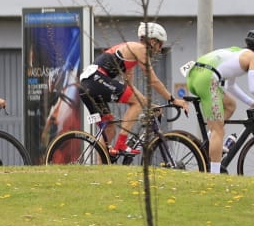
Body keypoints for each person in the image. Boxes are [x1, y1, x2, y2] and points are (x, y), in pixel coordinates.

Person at [76, 22, 186, 158]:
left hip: (88, 86)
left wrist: (150, 105)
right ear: (152, 41)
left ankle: (102, 169)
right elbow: (153, 81)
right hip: (94, 81)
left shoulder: (130, 54)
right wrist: (173, 100)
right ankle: (121, 144)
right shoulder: (140, 49)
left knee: (109, 129)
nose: (159, 50)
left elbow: (130, 89)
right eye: (160, 45)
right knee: (136, 103)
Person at [187, 29, 254, 174]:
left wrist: (253, 103)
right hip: (207, 79)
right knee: (219, 130)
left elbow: (231, 86)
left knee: (230, 105)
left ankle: (211, 140)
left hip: (196, 76)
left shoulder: (238, 53)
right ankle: (214, 176)